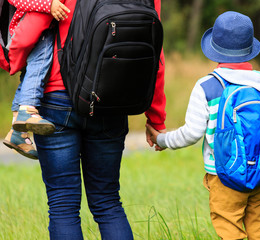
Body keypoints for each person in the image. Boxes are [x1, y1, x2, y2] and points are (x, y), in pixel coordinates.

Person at [33, 0, 166, 239]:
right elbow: (156, 54)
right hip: (111, 98)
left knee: (63, 206)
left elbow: (32, 25)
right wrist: (156, 118)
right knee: (108, 203)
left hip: (57, 95)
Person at [146, 11, 260, 240]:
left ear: (214, 49)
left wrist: (161, 139)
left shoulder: (208, 86)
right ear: (249, 48)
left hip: (224, 175)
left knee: (229, 230)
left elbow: (192, 133)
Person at [2, 0, 70, 159]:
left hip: (38, 25)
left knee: (31, 73)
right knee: (40, 63)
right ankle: (28, 110)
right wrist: (48, 5)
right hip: (29, 26)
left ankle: (17, 131)